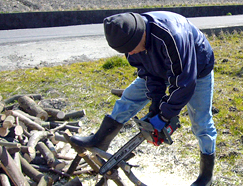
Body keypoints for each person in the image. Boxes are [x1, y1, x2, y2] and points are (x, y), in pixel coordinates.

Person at [71, 11, 217, 186]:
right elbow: (148, 73)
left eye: (131, 49)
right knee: (129, 98)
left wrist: (164, 116)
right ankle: (100, 139)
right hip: (162, 64)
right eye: (126, 51)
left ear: (142, 34)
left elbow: (184, 83)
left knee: (201, 121)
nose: (130, 54)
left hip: (196, 69)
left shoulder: (171, 36)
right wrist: (156, 104)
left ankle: (206, 176)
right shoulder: (128, 40)